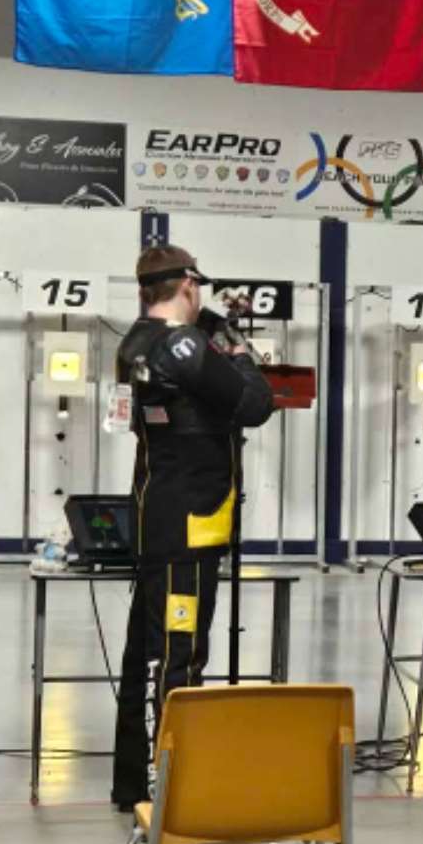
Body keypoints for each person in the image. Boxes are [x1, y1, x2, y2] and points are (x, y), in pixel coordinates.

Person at [110, 246, 276, 811]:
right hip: (193, 520)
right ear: (185, 284)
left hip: (159, 511)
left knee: (145, 652)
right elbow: (256, 403)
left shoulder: (135, 340)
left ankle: (132, 782)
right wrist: (235, 350)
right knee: (178, 655)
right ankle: (171, 787)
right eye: (196, 287)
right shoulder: (183, 345)